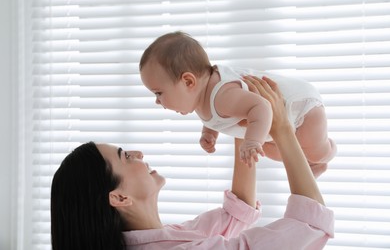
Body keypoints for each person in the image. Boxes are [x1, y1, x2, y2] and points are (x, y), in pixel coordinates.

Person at [51, 76, 334, 250]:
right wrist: (282, 128)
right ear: (119, 196)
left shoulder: (165, 237)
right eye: (124, 156)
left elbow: (237, 213)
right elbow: (308, 227)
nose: (137, 153)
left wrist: (241, 123)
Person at [139, 31, 337, 177]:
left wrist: (252, 142)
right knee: (274, 152)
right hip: (272, 123)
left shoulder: (222, 95)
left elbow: (261, 107)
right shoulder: (201, 97)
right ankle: (312, 166)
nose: (157, 101)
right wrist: (208, 133)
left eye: (159, 93)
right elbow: (211, 116)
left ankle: (328, 150)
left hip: (301, 108)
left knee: (315, 150)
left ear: (188, 81)